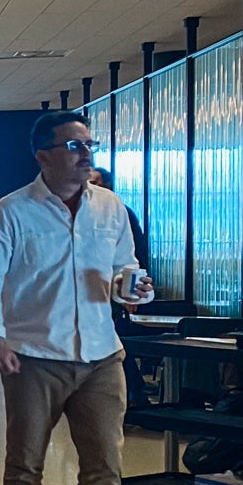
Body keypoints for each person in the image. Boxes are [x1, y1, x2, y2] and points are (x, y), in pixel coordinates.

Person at [0, 111, 153, 485]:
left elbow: (123, 268)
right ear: (43, 155)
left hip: (101, 353)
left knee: (105, 463)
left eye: (89, 144)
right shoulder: (12, 211)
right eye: (74, 145)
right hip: (34, 354)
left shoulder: (111, 207)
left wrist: (132, 287)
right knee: (25, 463)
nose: (86, 153)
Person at [88, 166, 154, 406]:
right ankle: (133, 392)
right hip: (93, 295)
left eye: (95, 182)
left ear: (106, 186)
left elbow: (133, 257)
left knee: (114, 342)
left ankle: (134, 392)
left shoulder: (119, 212)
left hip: (114, 293)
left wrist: (131, 290)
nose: (89, 187)